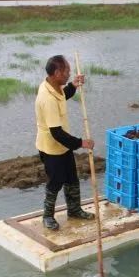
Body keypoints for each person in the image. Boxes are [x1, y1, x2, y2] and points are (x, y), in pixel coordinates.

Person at [35, 55, 95, 230]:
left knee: (71, 178)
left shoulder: (55, 87)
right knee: (55, 181)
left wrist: (73, 86)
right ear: (56, 73)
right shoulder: (47, 98)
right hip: (52, 147)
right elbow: (57, 133)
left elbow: (63, 95)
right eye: (67, 71)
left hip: (63, 146)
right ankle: (47, 216)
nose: (69, 73)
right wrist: (81, 143)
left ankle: (74, 210)